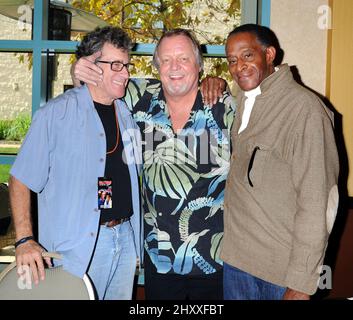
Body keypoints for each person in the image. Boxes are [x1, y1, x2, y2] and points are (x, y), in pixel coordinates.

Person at [72, 28, 236, 300]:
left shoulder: (223, 107)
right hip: (158, 258)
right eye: (166, 60)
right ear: (157, 66)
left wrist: (221, 82)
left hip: (213, 257)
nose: (174, 67)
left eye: (183, 59)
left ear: (199, 65)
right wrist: (79, 70)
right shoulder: (138, 96)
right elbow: (95, 87)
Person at [8, 26, 143, 300]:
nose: (126, 74)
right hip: (80, 246)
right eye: (116, 65)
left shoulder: (126, 111)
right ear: (91, 65)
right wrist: (24, 239)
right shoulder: (57, 113)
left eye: (126, 65)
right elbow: (20, 178)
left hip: (125, 237)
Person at [221, 24, 339, 300]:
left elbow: (319, 201)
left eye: (248, 55)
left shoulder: (305, 109)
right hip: (237, 263)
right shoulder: (245, 102)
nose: (239, 66)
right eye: (232, 60)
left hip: (279, 275)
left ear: (269, 54)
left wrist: (301, 283)